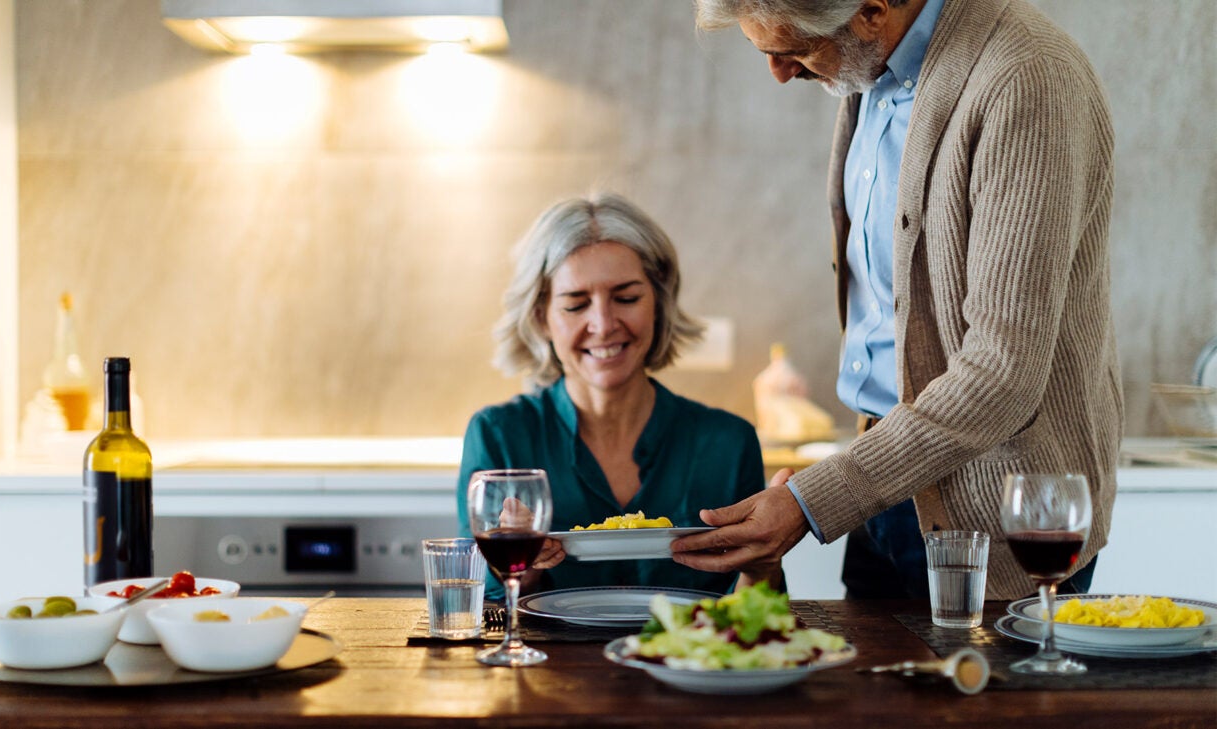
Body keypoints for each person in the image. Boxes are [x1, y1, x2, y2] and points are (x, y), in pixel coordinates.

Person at [673, 0, 1121, 601]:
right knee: (873, 695)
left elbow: (1002, 373)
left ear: (871, 11)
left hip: (1001, 517)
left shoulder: (1026, 77)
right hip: (882, 490)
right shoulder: (871, 71)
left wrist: (811, 500)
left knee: (984, 696)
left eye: (795, 51)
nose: (779, 75)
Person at [456, 192, 775, 599]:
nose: (603, 325)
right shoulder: (498, 436)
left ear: (659, 304)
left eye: (626, 298)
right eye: (576, 305)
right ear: (541, 317)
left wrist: (764, 566)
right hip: (549, 663)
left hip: (686, 660)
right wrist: (523, 570)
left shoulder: (729, 443)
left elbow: (761, 615)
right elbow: (484, 612)